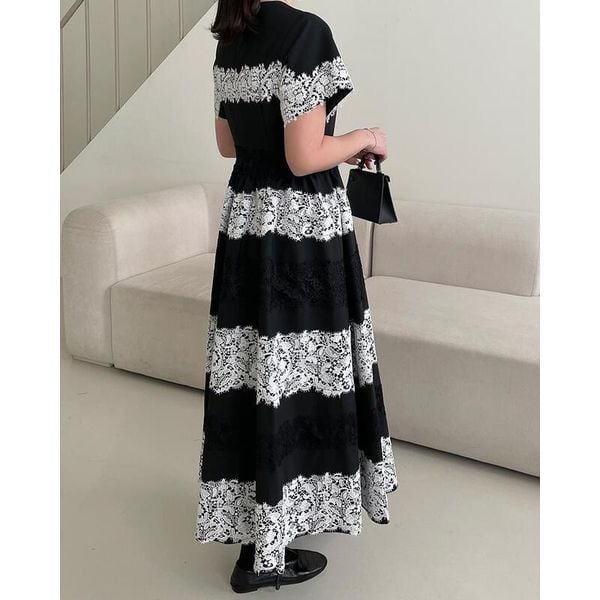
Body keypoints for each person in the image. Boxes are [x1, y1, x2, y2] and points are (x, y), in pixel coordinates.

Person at [195, 0, 398, 593]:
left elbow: (228, 144)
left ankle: (259, 540)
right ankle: (269, 550)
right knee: (305, 374)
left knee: (257, 375)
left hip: (247, 220)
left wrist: (327, 144)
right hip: (301, 228)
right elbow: (303, 156)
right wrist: (362, 137)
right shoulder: (307, 32)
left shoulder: (230, 37)